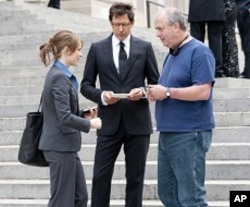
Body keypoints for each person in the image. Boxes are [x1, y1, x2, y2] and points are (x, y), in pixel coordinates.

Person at [80, 2, 159, 207]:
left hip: (138, 123)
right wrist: (103, 96)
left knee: (135, 179)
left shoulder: (145, 47)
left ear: (132, 23)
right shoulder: (97, 48)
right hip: (109, 122)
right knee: (100, 176)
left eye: (124, 24)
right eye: (116, 24)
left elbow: (155, 83)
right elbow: (86, 85)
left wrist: (142, 92)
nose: (121, 29)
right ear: (110, 23)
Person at [147, 7, 215, 207]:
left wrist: (167, 92)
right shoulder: (172, 54)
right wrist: (151, 93)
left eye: (160, 29)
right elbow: (170, 88)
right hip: (168, 132)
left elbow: (204, 91)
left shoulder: (200, 51)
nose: (157, 34)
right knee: (167, 193)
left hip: (189, 134)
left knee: (191, 197)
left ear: (176, 26)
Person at [38, 30, 102, 207]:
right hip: (59, 147)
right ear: (67, 50)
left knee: (79, 198)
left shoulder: (59, 75)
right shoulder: (58, 77)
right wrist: (91, 124)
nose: (81, 54)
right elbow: (64, 117)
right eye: (78, 50)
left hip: (66, 147)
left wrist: (83, 114)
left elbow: (61, 112)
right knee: (61, 201)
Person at [188, 0, 225, 77]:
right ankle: (216, 69)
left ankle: (196, 67)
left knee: (196, 41)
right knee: (215, 40)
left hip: (197, 6)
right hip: (215, 6)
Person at [222, 0, 240, 77]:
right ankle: (232, 67)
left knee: (227, 36)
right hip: (231, 6)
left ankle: (229, 67)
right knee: (230, 35)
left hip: (225, 7)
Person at [236, 0, 250, 78]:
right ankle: (247, 69)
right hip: (240, 12)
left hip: (246, 10)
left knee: (248, 43)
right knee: (245, 43)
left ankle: (248, 71)